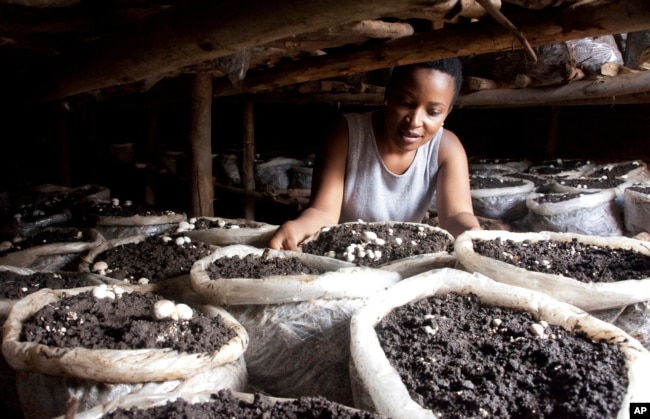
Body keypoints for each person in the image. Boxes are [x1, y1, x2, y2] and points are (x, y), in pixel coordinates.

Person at [269, 57, 480, 251]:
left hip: (405, 258)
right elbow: (323, 213)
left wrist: (473, 233)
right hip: (342, 258)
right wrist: (297, 227)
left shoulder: (447, 148)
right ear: (388, 94)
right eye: (405, 103)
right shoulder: (346, 134)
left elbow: (455, 216)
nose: (415, 121)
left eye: (433, 112)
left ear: (448, 112)